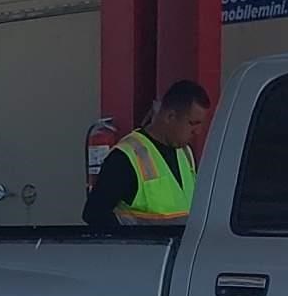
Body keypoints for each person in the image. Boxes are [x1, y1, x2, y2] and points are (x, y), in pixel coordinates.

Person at [84, 79, 212, 231]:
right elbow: (94, 214)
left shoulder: (185, 152)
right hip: (142, 253)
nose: (197, 132)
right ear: (170, 117)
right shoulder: (126, 157)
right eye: (192, 123)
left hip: (181, 251)